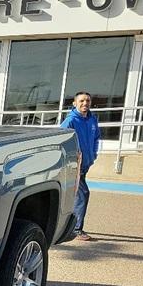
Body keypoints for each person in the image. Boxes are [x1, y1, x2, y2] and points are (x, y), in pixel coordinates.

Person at [61, 91, 100, 241]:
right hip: (74, 166)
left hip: (86, 164)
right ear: (75, 103)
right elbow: (61, 139)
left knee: (74, 195)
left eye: (88, 101)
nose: (85, 104)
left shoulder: (92, 119)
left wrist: (94, 154)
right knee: (83, 194)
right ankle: (76, 229)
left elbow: (96, 138)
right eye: (82, 101)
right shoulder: (70, 121)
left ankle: (68, 226)